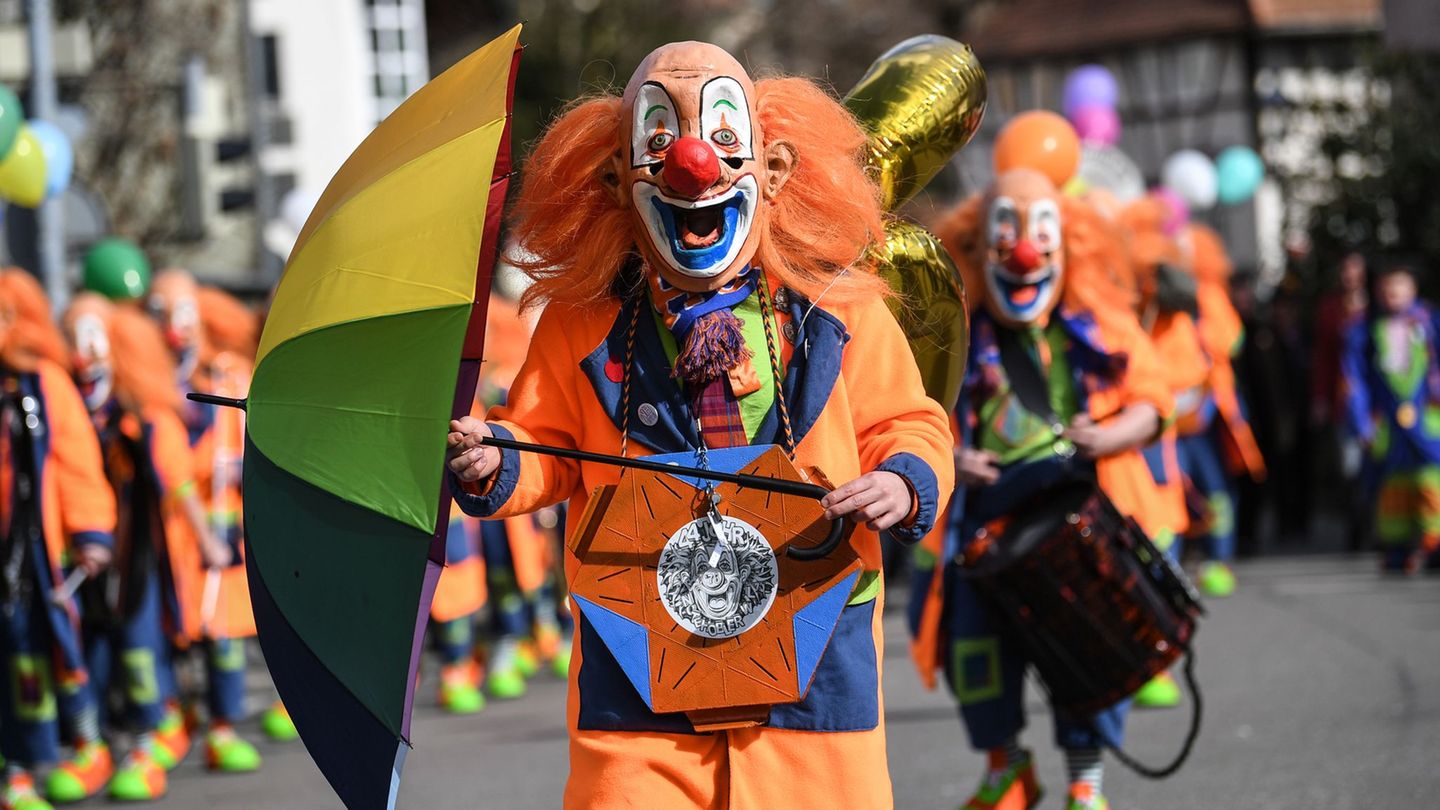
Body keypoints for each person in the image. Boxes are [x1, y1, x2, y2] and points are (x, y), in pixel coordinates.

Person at [445, 42, 952, 808]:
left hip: (810, 650)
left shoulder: (836, 305)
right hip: (644, 655)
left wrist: (900, 481)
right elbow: (548, 445)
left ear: (772, 171)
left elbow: (908, 423)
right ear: (619, 179)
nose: (692, 164)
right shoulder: (581, 325)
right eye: (659, 143)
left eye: (722, 140)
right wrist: (499, 458)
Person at [914, 167, 1174, 810]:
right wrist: (952, 456)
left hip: (1074, 516)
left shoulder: (1098, 324)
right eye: (1006, 233)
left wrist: (1112, 438)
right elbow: (908, 415)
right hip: (987, 527)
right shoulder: (957, 333)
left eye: (1040, 233)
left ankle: (1085, 784)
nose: (1024, 253)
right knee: (975, 648)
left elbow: (1152, 397)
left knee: (1088, 645)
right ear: (977, 248)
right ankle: (1008, 770)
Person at [61, 295, 230, 801]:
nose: (83, 355)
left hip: (143, 555)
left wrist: (206, 541)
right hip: (89, 554)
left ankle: (154, 733)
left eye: (92, 339)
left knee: (140, 647)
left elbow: (175, 481)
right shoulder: (66, 407)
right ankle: (93, 745)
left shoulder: (147, 415)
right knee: (88, 652)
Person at [145, 271, 272, 768]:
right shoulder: (152, 384)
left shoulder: (228, 375)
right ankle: (177, 718)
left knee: (223, 631)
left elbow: (249, 437)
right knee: (171, 633)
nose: (172, 326)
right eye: (160, 312)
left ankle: (222, 727)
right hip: (168, 533)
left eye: (179, 312)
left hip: (224, 529)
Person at [0, 271, 117, 810]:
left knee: (64, 654)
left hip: (41, 553)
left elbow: (75, 463)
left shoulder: (44, 382)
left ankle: (88, 747)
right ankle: (21, 766)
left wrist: (91, 533)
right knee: (17, 662)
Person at [1341, 261, 1440, 573]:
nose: (1391, 293)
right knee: (1393, 490)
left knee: (1431, 483)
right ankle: (1397, 549)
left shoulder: (1430, 323)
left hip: (1428, 419)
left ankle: (1435, 545)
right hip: (1388, 424)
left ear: (1413, 289)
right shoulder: (1364, 330)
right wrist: (1362, 421)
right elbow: (1353, 380)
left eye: (1398, 286)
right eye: (1386, 287)